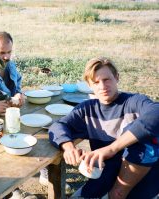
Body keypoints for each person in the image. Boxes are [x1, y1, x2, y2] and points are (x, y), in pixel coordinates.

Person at [48, 57, 159, 199]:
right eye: (96, 82)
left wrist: (112, 148)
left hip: (143, 178)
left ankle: (118, 193)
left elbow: (156, 112)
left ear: (117, 78)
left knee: (149, 139)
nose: (102, 86)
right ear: (89, 85)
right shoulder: (87, 110)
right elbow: (58, 126)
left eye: (107, 79)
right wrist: (68, 147)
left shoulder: (133, 102)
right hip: (107, 174)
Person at [0, 31, 24, 107]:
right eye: (2, 53)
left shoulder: (10, 65)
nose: (6, 57)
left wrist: (18, 94)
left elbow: (18, 81)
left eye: (9, 52)